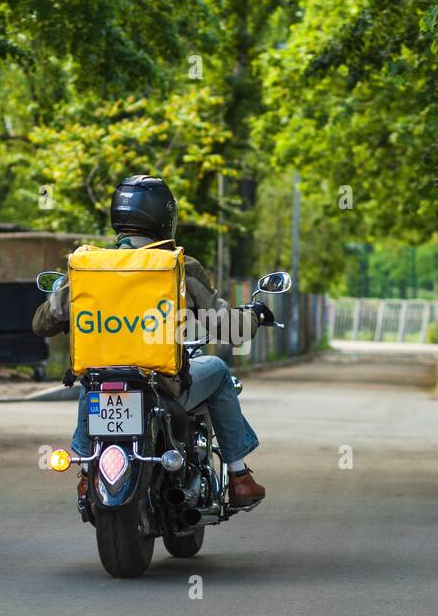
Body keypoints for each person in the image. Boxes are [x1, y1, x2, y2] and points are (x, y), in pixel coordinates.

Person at [32, 174, 272, 506]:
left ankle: (87, 474)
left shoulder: (90, 268)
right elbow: (230, 329)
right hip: (162, 386)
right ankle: (239, 476)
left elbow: (42, 323)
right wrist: (256, 315)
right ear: (165, 218)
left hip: (101, 386)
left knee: (93, 379)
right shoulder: (178, 266)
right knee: (217, 369)